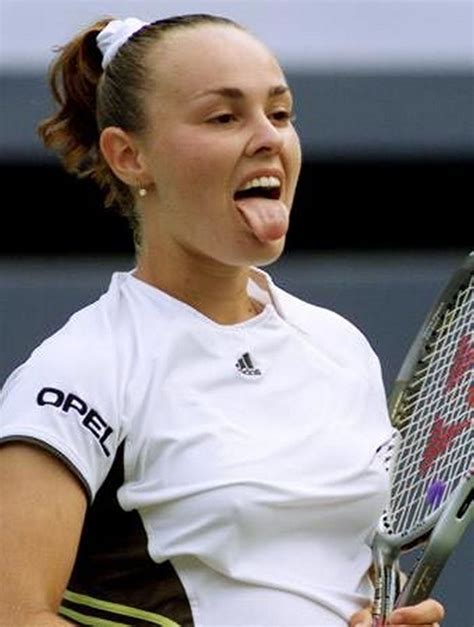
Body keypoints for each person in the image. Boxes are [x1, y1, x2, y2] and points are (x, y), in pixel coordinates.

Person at [0, 13, 445, 627]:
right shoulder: (82, 369)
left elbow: (351, 579)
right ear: (130, 156)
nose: (268, 138)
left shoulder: (340, 349)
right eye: (224, 117)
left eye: (281, 115)